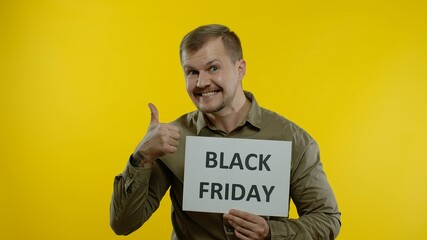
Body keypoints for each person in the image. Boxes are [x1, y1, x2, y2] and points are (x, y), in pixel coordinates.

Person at [110, 24, 341, 240]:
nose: (201, 82)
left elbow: (327, 219)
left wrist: (272, 232)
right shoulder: (172, 139)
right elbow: (123, 224)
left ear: (240, 69)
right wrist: (142, 157)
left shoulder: (292, 140)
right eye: (191, 72)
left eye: (213, 68)